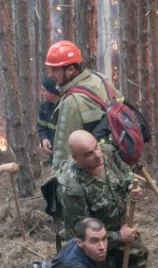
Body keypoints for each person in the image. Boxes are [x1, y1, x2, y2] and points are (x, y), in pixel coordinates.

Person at [55, 130, 147, 268]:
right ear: (75, 158)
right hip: (92, 243)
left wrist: (131, 184)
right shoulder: (72, 187)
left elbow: (124, 169)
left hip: (118, 226)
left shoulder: (107, 151)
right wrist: (118, 237)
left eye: (95, 147)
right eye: (88, 154)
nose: (97, 154)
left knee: (137, 254)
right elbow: (79, 233)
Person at [44, 40, 124, 172]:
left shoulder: (71, 102)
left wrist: (56, 183)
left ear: (70, 70)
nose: (51, 74)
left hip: (92, 176)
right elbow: (121, 105)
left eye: (54, 69)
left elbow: (64, 153)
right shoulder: (101, 79)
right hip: (117, 169)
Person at [37, 77, 60, 165]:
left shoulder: (67, 105)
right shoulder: (44, 107)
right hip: (53, 157)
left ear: (53, 92)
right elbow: (41, 127)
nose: (42, 93)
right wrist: (44, 139)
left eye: (44, 90)